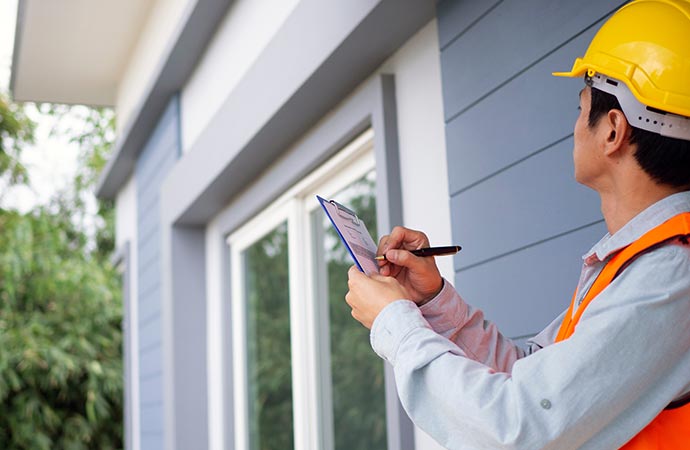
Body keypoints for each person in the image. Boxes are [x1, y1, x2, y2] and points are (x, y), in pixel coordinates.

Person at [344, 0, 690, 448]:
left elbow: (517, 427)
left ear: (613, 130)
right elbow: (528, 377)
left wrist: (395, 322)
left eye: (581, 106)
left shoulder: (669, 275)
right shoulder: (639, 265)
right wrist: (431, 301)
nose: (574, 126)